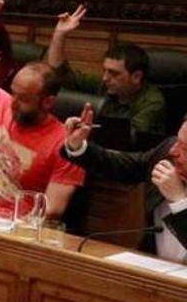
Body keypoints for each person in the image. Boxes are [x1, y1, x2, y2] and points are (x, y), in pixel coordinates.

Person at [0, 0, 85, 219]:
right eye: (13, 93)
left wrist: (13, 228)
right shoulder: (0, 104)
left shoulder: (65, 143)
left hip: (16, 232)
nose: (13, 103)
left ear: (48, 102)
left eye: (23, 98)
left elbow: (53, 208)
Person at [62, 106, 187, 262]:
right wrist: (78, 145)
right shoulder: (166, 154)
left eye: (185, 148)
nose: (173, 151)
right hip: (155, 272)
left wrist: (180, 202)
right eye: (178, 140)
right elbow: (123, 166)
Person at [46, 6, 166, 142]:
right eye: (105, 71)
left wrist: (85, 128)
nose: (105, 78)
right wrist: (59, 34)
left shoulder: (152, 103)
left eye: (114, 73)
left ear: (136, 77)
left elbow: (127, 141)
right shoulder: (107, 85)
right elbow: (62, 75)